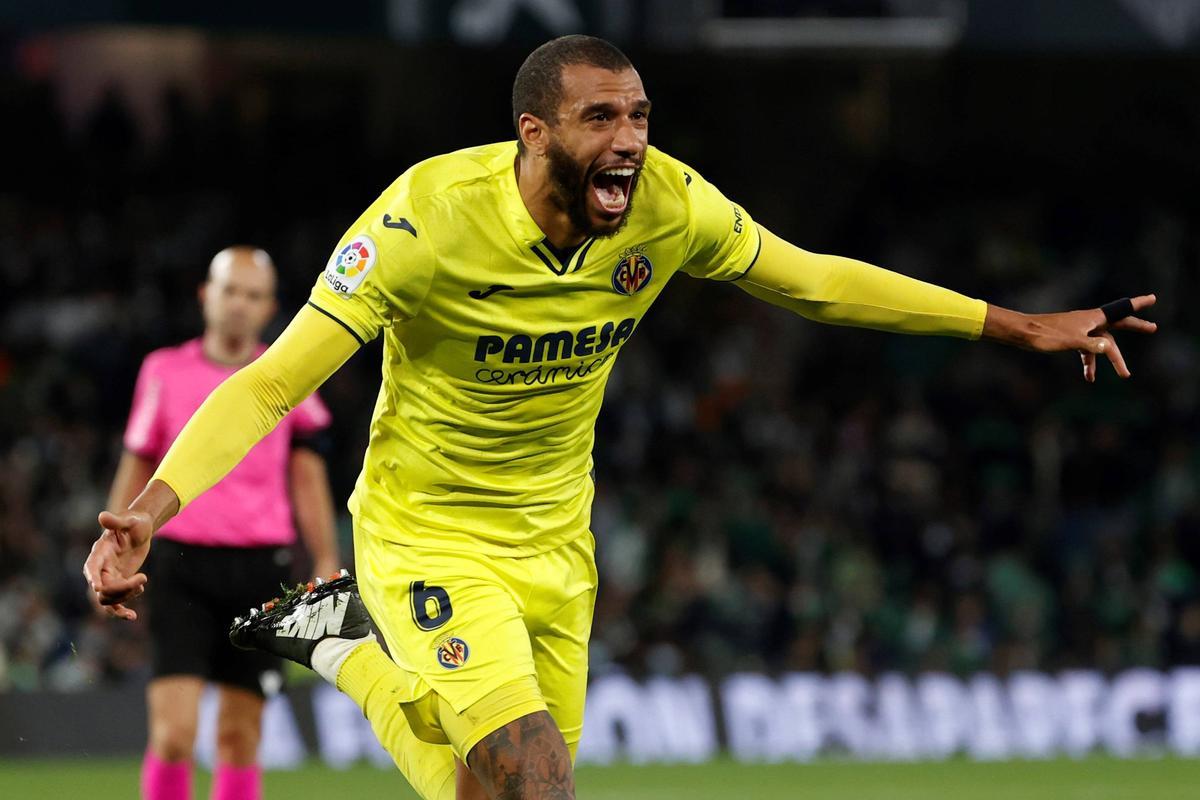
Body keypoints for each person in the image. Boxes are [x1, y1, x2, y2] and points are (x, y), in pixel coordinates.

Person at [85, 36, 1157, 800]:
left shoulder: (669, 207)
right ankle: (357, 636)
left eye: (640, 115)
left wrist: (1013, 326)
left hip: (559, 541)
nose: (631, 139)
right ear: (534, 130)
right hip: (431, 534)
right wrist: (147, 510)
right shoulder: (423, 223)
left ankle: (341, 650)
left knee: (489, 790)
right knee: (539, 782)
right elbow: (272, 381)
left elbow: (815, 280)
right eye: (602, 117)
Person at [105, 246, 340, 800]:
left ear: (269, 309)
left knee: (239, 737)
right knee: (174, 735)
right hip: (181, 563)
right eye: (231, 291)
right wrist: (111, 547)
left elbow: (307, 478)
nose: (240, 305)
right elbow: (137, 462)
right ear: (206, 296)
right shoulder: (162, 370)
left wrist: (327, 559)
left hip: (262, 570)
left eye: (253, 295)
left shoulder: (286, 378)